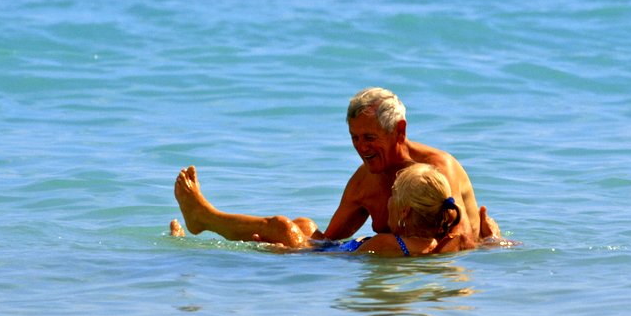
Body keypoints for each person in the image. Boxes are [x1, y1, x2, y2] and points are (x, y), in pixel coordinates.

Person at [170, 163, 472, 257]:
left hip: (317, 260)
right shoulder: (439, 243)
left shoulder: (389, 243)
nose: (387, 201)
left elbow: (338, 261)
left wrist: (292, 251)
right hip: (329, 250)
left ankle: (203, 217)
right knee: (304, 224)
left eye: (392, 196)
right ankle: (202, 224)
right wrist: (492, 238)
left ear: (404, 213)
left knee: (281, 226)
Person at [324, 87, 499, 246]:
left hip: (446, 269)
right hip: (401, 268)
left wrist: (493, 242)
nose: (361, 148)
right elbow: (325, 243)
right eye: (354, 137)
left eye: (370, 138)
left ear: (399, 130)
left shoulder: (436, 170)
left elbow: (462, 240)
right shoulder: (364, 180)